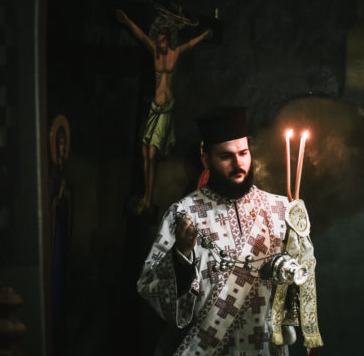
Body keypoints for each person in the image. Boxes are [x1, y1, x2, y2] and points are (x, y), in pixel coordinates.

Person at [137, 109, 322, 356]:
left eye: (243, 153)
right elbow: (150, 285)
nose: (238, 164)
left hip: (264, 346)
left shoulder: (279, 209)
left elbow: (301, 284)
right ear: (206, 160)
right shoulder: (183, 213)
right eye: (226, 156)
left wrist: (296, 261)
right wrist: (181, 255)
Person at [116, 9, 212, 214]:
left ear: (169, 40)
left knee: (151, 153)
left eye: (163, 40)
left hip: (166, 110)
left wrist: (204, 35)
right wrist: (127, 20)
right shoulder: (155, 54)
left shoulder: (174, 54)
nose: (160, 44)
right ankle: (147, 198)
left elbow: (189, 44)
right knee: (145, 153)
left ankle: (148, 200)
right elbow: (141, 36)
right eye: (158, 40)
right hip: (155, 108)